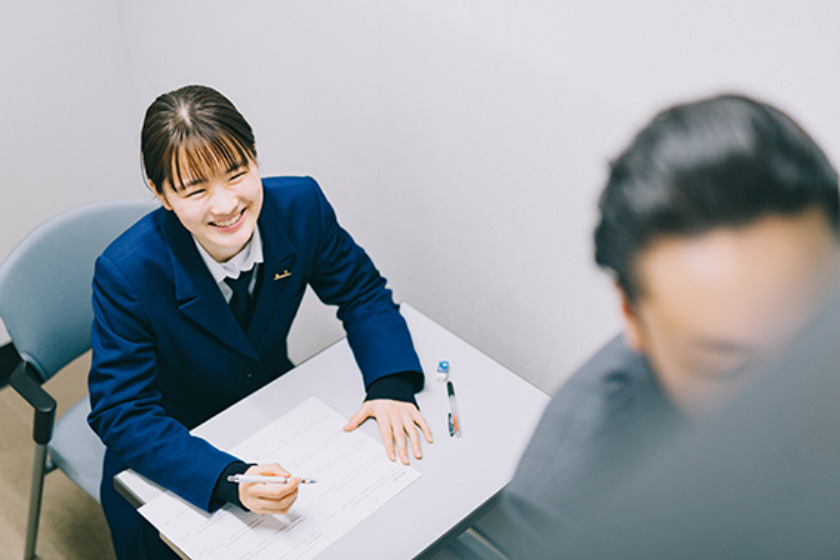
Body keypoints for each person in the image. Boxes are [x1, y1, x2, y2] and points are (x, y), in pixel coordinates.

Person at [470, 94, 840, 558]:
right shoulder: (573, 497)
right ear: (634, 318)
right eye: (729, 365)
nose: (788, 393)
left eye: (815, 336)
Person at [87, 84, 433, 560]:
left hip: (272, 407)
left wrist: (390, 383)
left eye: (237, 174)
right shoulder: (126, 272)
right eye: (196, 190)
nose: (225, 205)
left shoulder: (301, 206)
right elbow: (122, 412)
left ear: (254, 156)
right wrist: (229, 479)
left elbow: (361, 292)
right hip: (171, 447)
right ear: (161, 193)